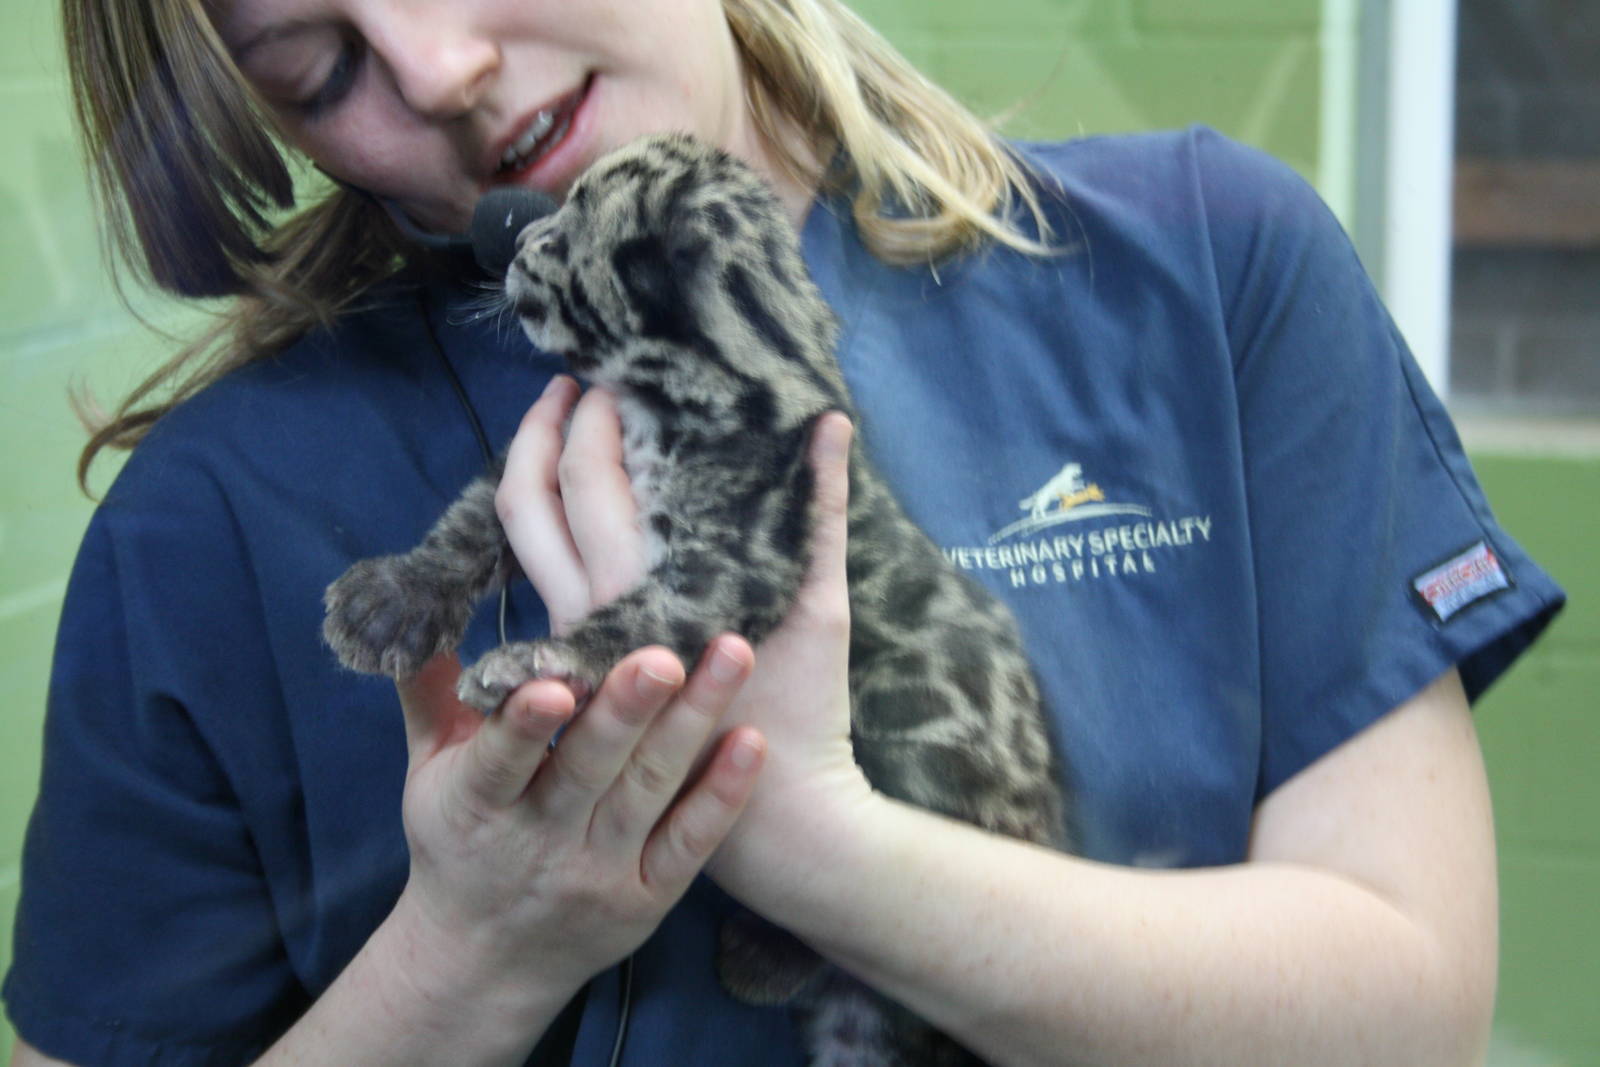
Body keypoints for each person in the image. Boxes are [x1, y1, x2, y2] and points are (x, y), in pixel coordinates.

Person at [3, 0, 1565, 1063]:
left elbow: (1406, 1016)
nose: (437, 65)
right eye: (317, 66)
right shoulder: (213, 520)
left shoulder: (1211, 271)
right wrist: (475, 949)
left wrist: (815, 843)